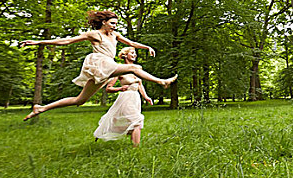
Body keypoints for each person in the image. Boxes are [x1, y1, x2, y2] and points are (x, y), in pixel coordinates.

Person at [19, 10, 177, 121]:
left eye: (116, 24)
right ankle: (161, 81)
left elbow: (131, 43)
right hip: (101, 63)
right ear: (104, 22)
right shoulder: (94, 34)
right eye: (112, 23)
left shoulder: (115, 35)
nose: (115, 26)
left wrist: (147, 47)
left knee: (79, 100)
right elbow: (66, 41)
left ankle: (41, 108)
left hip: (107, 67)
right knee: (135, 68)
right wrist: (39, 41)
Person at [94, 47, 152, 147]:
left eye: (135, 53)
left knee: (133, 122)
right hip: (126, 98)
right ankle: (136, 149)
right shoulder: (120, 70)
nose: (135, 55)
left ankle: (133, 142)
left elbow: (140, 84)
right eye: (132, 53)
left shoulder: (138, 68)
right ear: (125, 55)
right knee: (137, 121)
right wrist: (120, 88)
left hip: (135, 98)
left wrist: (146, 97)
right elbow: (109, 88)